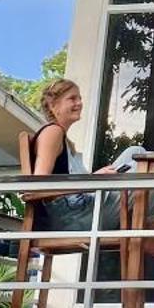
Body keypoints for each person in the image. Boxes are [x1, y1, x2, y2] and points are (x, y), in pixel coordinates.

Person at [25, 78, 127, 233]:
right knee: (147, 189)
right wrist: (92, 179)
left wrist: (94, 179)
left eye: (79, 98)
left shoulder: (65, 140)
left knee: (134, 152)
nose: (79, 103)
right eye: (72, 98)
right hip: (70, 218)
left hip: (77, 210)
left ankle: (153, 243)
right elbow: (37, 187)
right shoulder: (53, 132)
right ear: (53, 106)